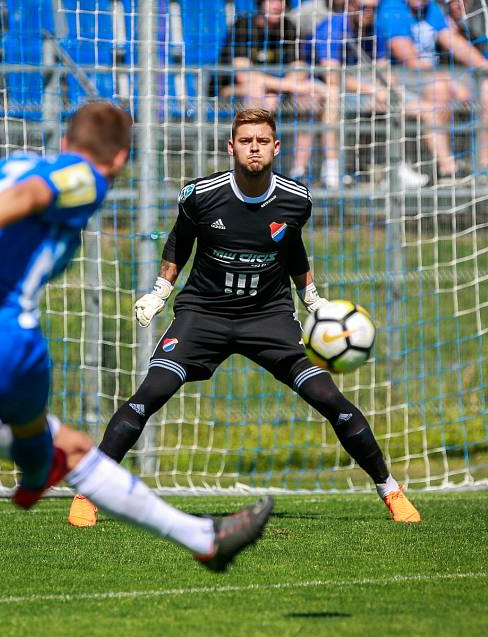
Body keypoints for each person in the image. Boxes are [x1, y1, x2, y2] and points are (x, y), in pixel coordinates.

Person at [0, 101, 273, 637]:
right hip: (3, 344)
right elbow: (35, 196)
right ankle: (38, 472)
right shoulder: (86, 177)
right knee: (63, 449)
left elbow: (21, 189)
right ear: (119, 156)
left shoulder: (11, 163)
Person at [68, 108, 422, 529]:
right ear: (231, 146)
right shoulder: (200, 195)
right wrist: (161, 291)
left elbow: (292, 249)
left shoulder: (296, 198)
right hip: (203, 314)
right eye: (246, 140)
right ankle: (88, 493)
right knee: (152, 391)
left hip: (269, 317)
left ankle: (391, 490)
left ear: (276, 147)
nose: (254, 147)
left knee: (329, 399)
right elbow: (180, 242)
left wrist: (312, 299)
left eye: (262, 140)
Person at [309, 0, 429, 187]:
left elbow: (384, 70)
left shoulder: (375, 29)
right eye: (364, 7)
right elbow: (332, 78)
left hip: (364, 89)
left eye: (374, 8)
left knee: (417, 105)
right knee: (332, 98)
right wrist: (374, 90)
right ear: (350, 6)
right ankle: (331, 169)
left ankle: (396, 167)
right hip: (322, 87)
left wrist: (393, 91)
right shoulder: (331, 28)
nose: (369, 13)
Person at [226, 0, 341, 189]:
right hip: (233, 89)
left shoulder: (288, 27)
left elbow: (299, 68)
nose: (277, 5)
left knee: (309, 98)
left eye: (281, 2)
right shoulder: (243, 26)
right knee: (260, 95)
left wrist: (288, 85)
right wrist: (287, 84)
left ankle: (300, 172)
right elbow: (243, 75)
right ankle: (253, 170)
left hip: (277, 89)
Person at [376, 0, 488, 182]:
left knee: (486, 88)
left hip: (434, 76)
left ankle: (483, 166)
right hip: (403, 77)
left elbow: (453, 42)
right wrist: (450, 82)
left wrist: (484, 65)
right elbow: (409, 60)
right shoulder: (393, 9)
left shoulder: (431, 9)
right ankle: (447, 168)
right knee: (439, 89)